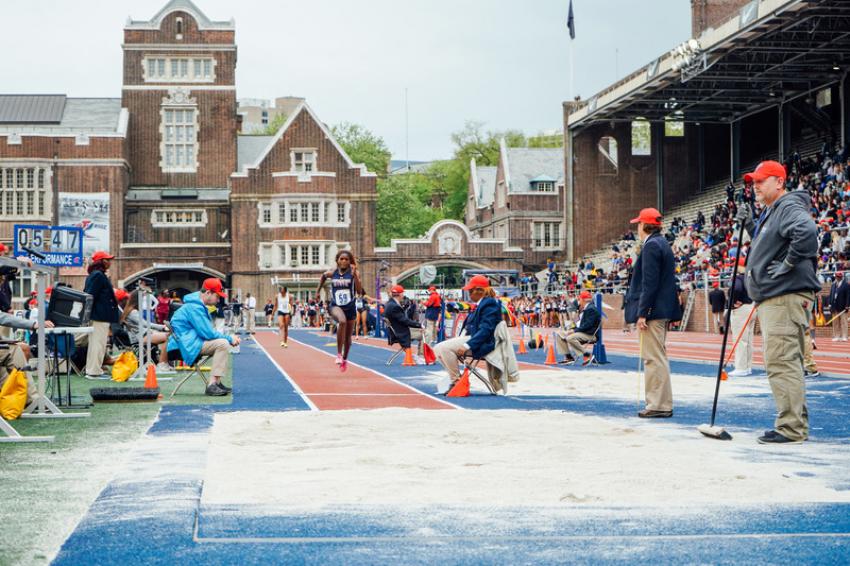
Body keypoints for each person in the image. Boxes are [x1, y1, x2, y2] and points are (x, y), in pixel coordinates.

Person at [737, 160, 820, 444]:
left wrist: (788, 264)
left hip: (784, 296)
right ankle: (793, 424)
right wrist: (750, 223)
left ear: (779, 182)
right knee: (783, 360)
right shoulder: (773, 210)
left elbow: (807, 233)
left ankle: (791, 428)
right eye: (754, 182)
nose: (756, 186)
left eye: (762, 180)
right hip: (778, 296)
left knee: (782, 361)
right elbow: (770, 244)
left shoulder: (787, 206)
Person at [623, 208, 681, 419]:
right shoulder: (661, 243)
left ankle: (658, 404)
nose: (637, 228)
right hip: (661, 308)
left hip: (654, 311)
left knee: (653, 358)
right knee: (657, 356)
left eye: (638, 224)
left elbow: (649, 283)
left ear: (643, 225)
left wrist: (643, 313)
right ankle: (661, 402)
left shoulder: (651, 246)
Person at [166, 278, 240, 396]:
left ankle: (216, 383)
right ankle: (212, 385)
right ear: (208, 293)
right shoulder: (195, 307)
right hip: (185, 346)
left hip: (186, 343)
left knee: (222, 342)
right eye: (217, 296)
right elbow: (208, 334)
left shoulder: (195, 305)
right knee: (223, 343)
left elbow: (207, 333)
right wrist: (230, 338)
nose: (218, 300)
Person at [433, 275, 502, 388]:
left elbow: (485, 330)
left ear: (480, 291)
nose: (469, 294)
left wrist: (467, 345)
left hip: (482, 343)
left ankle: (457, 382)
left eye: (470, 291)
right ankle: (456, 380)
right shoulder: (482, 304)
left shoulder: (489, 304)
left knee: (443, 348)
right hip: (475, 339)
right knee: (437, 349)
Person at [316, 250, 362, 372]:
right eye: (341, 259)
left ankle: (345, 359)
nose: (344, 261)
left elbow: (359, 291)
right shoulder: (333, 272)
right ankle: (339, 354)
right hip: (336, 306)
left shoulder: (353, 273)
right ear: (337, 260)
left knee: (348, 338)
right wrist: (318, 291)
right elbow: (323, 276)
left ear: (350, 261)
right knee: (342, 321)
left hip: (350, 307)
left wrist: (355, 275)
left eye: (346, 259)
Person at [83, 251, 119, 379]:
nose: (110, 262)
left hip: (99, 315)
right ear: (101, 261)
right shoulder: (98, 275)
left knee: (97, 344)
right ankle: (94, 372)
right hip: (99, 315)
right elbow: (90, 295)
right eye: (107, 260)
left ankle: (93, 370)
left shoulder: (97, 275)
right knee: (98, 344)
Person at [120, 289, 172, 373]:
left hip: (142, 336)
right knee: (167, 337)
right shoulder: (133, 312)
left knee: (166, 336)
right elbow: (145, 324)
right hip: (140, 338)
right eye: (142, 298)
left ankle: (162, 362)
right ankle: (162, 364)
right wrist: (162, 327)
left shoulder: (131, 311)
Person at [554, 290, 600, 365]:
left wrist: (574, 331)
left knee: (570, 338)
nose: (578, 301)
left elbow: (587, 325)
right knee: (559, 334)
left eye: (579, 299)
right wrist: (572, 328)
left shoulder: (591, 309)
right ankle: (569, 357)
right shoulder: (585, 308)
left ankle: (587, 355)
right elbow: (580, 324)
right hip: (583, 332)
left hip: (590, 334)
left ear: (583, 299)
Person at [727, 257, 755, 377]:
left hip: (741, 310)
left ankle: (741, 367)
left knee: (740, 340)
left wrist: (733, 301)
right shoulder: (751, 277)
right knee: (748, 340)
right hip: (751, 308)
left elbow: (736, 288)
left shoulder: (738, 278)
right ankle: (747, 366)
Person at [384, 285, 421, 355]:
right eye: (402, 293)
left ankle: (418, 355)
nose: (403, 295)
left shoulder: (390, 304)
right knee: (426, 333)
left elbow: (400, 318)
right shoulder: (394, 306)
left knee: (421, 331)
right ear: (400, 294)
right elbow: (405, 321)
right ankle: (421, 356)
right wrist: (419, 325)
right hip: (401, 332)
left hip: (397, 330)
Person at [828, 271, 848, 341]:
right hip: (834, 306)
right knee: (835, 322)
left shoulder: (846, 285)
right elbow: (831, 294)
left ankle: (844, 336)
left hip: (843, 307)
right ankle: (837, 336)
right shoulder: (833, 285)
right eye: (836, 277)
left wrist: (847, 305)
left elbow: (848, 296)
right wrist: (830, 304)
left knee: (844, 322)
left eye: (839, 277)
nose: (837, 278)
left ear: (842, 277)